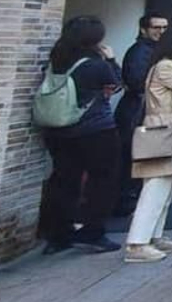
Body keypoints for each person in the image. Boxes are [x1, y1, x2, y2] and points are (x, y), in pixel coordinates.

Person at [39, 15, 124, 254]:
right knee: (103, 180)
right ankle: (92, 231)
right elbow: (115, 84)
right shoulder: (96, 64)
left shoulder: (58, 59)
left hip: (58, 130)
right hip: (95, 130)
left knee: (64, 180)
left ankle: (57, 234)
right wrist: (112, 59)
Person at [122, 26, 172, 263]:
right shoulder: (166, 66)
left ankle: (154, 235)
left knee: (166, 185)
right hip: (161, 130)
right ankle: (137, 243)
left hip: (170, 129)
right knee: (155, 186)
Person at [115, 11, 169, 214]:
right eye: (156, 27)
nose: (161, 31)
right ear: (144, 29)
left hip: (144, 111)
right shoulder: (140, 51)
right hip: (137, 113)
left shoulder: (155, 50)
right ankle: (126, 203)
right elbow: (137, 82)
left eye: (164, 27)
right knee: (135, 158)